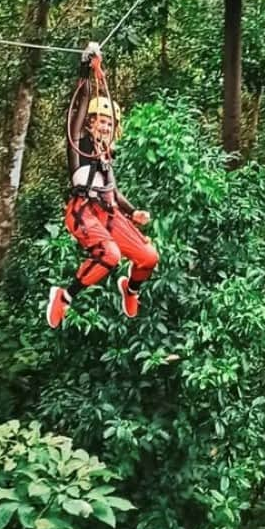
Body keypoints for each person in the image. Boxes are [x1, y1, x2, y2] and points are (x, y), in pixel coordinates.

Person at [46, 43, 158, 329]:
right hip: (83, 211)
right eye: (98, 122)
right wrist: (86, 70)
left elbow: (114, 194)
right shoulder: (80, 146)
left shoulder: (107, 156)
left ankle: (130, 290)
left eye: (108, 123)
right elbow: (76, 114)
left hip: (108, 213)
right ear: (89, 125)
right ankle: (64, 297)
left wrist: (133, 213)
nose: (103, 127)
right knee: (110, 254)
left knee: (148, 257)